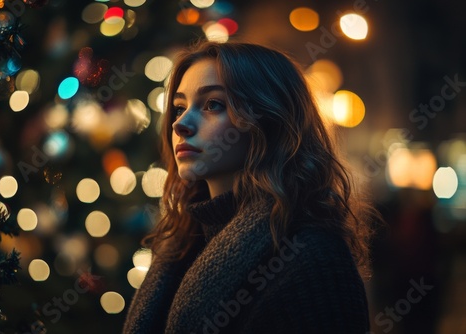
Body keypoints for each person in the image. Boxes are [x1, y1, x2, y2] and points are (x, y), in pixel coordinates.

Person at [123, 40, 377, 334]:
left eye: (213, 104)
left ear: (269, 119)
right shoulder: (180, 244)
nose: (180, 124)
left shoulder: (311, 257)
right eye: (179, 107)